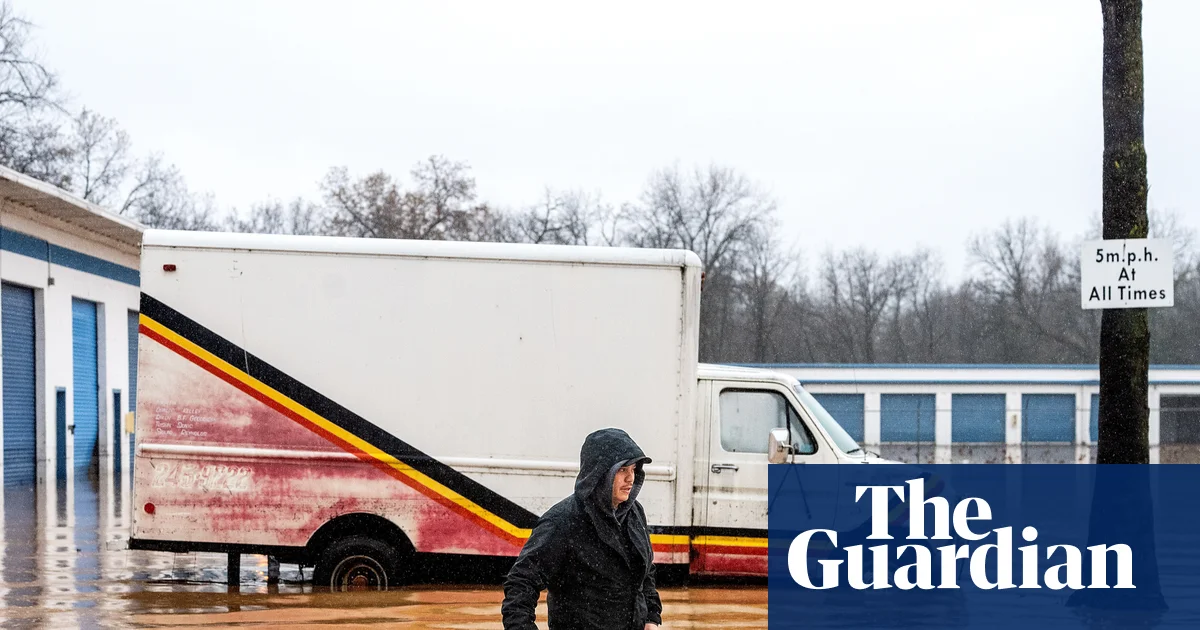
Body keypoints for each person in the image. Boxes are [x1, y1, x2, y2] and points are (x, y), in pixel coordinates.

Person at [501, 428, 663, 630]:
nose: (630, 478)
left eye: (633, 469)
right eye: (622, 470)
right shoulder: (563, 521)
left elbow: (645, 571)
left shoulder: (634, 512)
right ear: (600, 473)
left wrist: (651, 617)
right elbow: (521, 582)